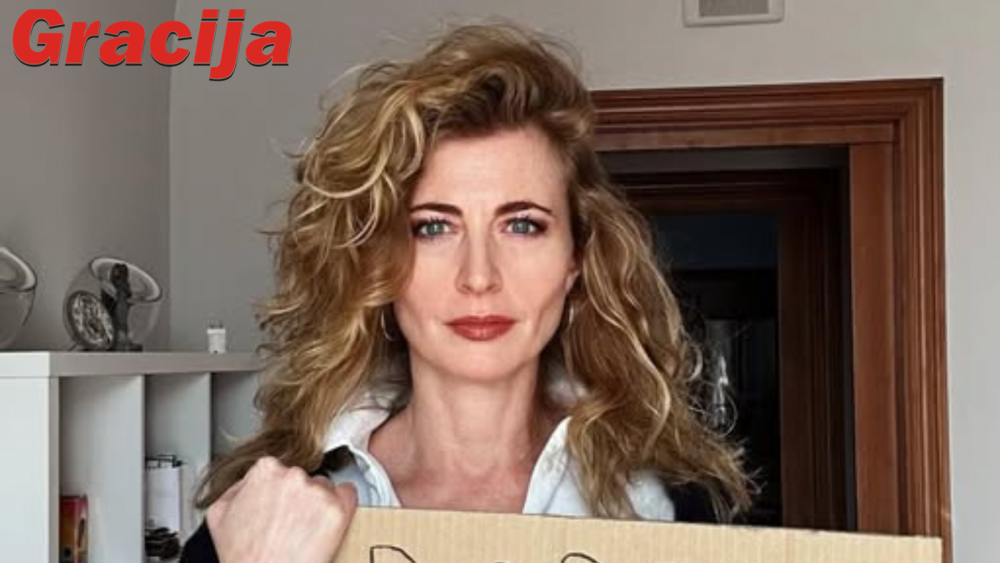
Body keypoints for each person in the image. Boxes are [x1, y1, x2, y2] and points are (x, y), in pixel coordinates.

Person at [179, 22, 751, 563]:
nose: (478, 277)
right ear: (378, 261)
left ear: (575, 259)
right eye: (432, 227)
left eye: (522, 224)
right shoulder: (259, 520)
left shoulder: (670, 507)